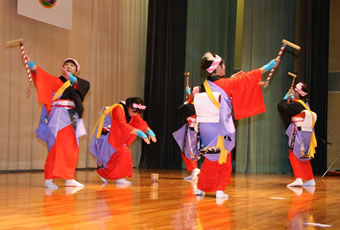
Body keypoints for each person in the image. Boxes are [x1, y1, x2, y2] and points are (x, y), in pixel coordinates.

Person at [194, 51, 279, 199]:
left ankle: (201, 188)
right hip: (220, 128)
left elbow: (224, 88)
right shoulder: (226, 83)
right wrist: (268, 66)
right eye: (223, 64)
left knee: (210, 157)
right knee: (223, 158)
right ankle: (220, 189)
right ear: (217, 68)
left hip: (206, 128)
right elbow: (248, 78)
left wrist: (232, 79)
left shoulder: (205, 85)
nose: (225, 66)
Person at [27, 56, 90, 189]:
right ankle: (49, 179)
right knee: (55, 147)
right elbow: (43, 78)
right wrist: (33, 67)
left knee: (72, 147)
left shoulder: (80, 83)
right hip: (58, 114)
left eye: (72, 65)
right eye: (66, 64)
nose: (68, 66)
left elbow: (83, 87)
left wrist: (72, 79)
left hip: (72, 115)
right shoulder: (55, 81)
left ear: (76, 70)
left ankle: (69, 178)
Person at [90, 97, 157, 184]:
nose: (135, 114)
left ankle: (117, 176)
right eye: (134, 111)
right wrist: (138, 132)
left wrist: (148, 130)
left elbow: (139, 122)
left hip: (115, 133)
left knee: (122, 153)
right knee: (115, 154)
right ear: (129, 106)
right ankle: (104, 173)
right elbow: (121, 124)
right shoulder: (117, 109)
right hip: (107, 134)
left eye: (138, 112)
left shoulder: (131, 111)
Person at [278, 82, 317, 187]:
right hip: (307, 134)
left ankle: (299, 179)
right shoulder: (305, 104)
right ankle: (310, 179)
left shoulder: (297, 105)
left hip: (299, 133)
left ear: (298, 93)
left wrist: (285, 97)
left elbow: (282, 107)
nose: (294, 93)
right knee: (303, 156)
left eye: (295, 92)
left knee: (294, 154)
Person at [173, 86, 201, 181]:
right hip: (193, 129)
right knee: (191, 151)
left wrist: (188, 98)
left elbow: (182, 109)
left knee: (188, 151)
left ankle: (194, 169)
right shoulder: (194, 104)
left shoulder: (195, 105)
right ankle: (193, 170)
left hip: (192, 129)